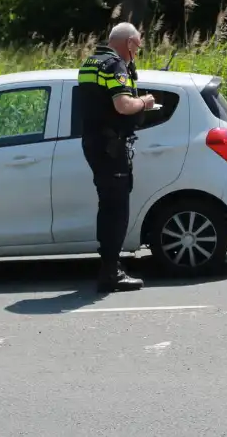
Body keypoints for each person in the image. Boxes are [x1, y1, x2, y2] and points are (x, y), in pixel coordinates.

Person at [77, 22, 156, 291]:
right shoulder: (114, 66)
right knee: (116, 208)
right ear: (130, 43)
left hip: (94, 142)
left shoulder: (90, 63)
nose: (137, 52)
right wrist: (144, 102)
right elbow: (122, 105)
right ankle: (111, 272)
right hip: (111, 146)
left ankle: (110, 267)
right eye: (138, 46)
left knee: (107, 204)